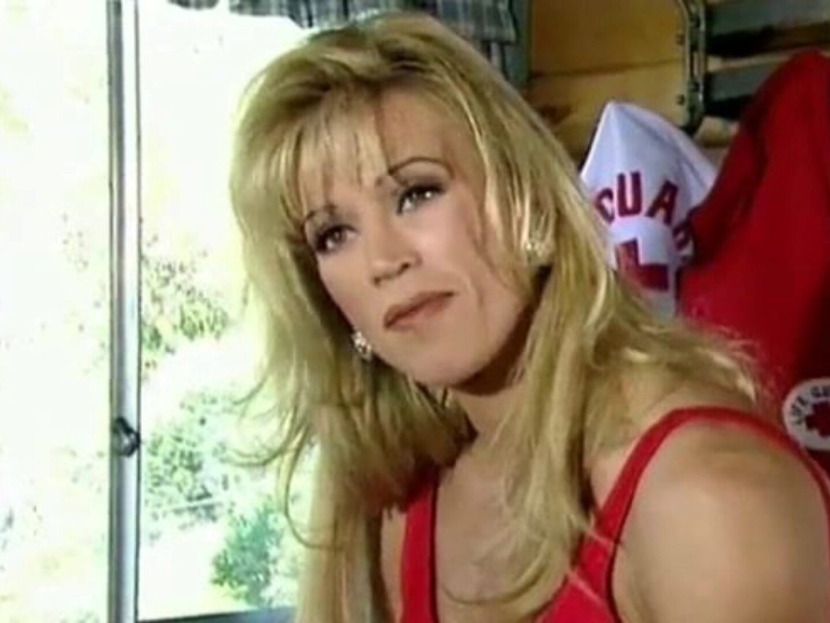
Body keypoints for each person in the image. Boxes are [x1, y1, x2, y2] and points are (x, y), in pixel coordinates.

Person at [228, 11, 830, 623]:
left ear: (528, 202)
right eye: (333, 234)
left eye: (417, 193)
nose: (384, 261)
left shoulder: (709, 502)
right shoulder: (392, 505)